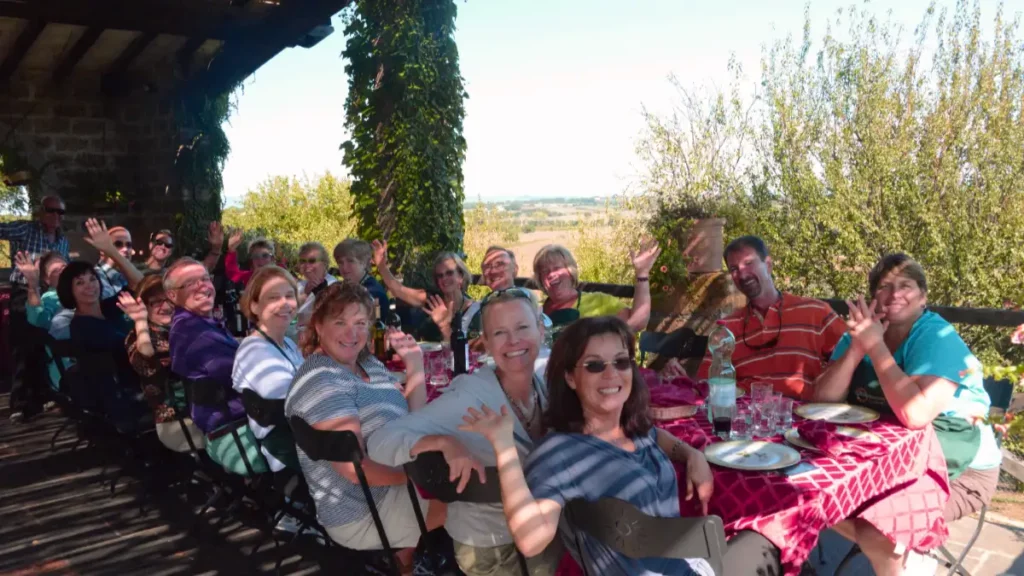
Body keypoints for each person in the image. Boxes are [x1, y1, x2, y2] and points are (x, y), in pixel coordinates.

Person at [459, 316, 781, 576]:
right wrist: (503, 447)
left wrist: (692, 454)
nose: (611, 374)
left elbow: (657, 436)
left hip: (683, 562)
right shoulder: (560, 453)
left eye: (621, 362)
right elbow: (530, 542)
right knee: (767, 541)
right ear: (571, 377)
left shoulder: (629, 428)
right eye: (595, 365)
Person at [814, 253, 1001, 575]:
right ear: (874, 297)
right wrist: (858, 348)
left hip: (961, 472)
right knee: (807, 488)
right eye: (885, 287)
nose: (895, 294)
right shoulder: (864, 331)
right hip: (884, 458)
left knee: (878, 529)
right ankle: (904, 554)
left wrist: (876, 347)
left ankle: (899, 556)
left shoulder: (936, 337)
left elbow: (916, 415)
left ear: (923, 296)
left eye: (906, 285)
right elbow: (821, 400)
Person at [369, 287, 562, 576]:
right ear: (484, 341)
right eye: (499, 333)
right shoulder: (469, 396)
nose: (513, 341)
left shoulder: (544, 385)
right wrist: (443, 442)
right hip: (492, 548)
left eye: (522, 327)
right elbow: (379, 442)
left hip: (542, 529)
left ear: (539, 329)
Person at [284, 282, 445, 575]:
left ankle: (407, 559)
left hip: (391, 485)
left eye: (360, 323)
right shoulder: (321, 381)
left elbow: (412, 421)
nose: (352, 333)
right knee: (474, 499)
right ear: (319, 326)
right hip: (362, 511)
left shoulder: (365, 364)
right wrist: (421, 478)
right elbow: (356, 471)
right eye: (340, 322)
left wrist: (415, 366)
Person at [674, 236, 845, 399]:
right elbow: (708, 385)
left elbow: (852, 355)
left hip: (804, 419)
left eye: (749, 263)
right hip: (748, 419)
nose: (742, 274)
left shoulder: (814, 311)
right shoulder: (726, 328)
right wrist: (680, 380)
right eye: (734, 269)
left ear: (768, 265)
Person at [3, 195, 69, 423]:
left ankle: (47, 395)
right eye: (52, 210)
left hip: (51, 296)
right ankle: (20, 404)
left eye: (61, 212)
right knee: (23, 347)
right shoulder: (26, 229)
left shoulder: (62, 241)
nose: (56, 216)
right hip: (24, 291)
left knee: (47, 345)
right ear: (42, 211)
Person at [119, 275, 204, 452]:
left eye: (169, 299)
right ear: (143, 306)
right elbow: (147, 359)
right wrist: (140, 321)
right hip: (179, 423)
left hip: (207, 412)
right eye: (155, 302)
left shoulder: (184, 327)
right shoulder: (138, 337)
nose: (165, 306)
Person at [232, 266, 303, 471]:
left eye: (289, 296)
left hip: (307, 437)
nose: (284, 304)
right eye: (273, 298)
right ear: (254, 306)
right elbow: (291, 403)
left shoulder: (287, 343)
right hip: (289, 449)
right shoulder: (254, 349)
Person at [166, 257, 245, 435]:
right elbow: (245, 377)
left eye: (205, 279)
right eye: (190, 283)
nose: (203, 286)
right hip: (235, 428)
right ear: (172, 295)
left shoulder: (200, 322)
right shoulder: (192, 331)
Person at [532, 241, 658, 338]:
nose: (551, 274)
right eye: (544, 271)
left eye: (557, 268)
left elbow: (637, 322)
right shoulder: (537, 312)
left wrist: (642, 273)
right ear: (540, 279)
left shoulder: (598, 301)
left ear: (570, 271)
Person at [371, 239, 479, 342]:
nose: (444, 278)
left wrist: (445, 326)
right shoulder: (432, 299)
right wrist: (381, 266)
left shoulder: (474, 310)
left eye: (449, 273)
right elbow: (398, 290)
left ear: (461, 276)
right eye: (439, 276)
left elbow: (474, 349)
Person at [16, 251, 70, 389]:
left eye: (65, 267)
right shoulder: (49, 298)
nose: (63, 272)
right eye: (56, 271)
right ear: (47, 280)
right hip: (69, 368)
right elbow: (38, 319)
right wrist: (33, 285)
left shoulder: (87, 290)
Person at [334, 238, 389, 314]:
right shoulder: (343, 287)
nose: (344, 267)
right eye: (340, 262)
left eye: (350, 261)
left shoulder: (373, 293)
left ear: (364, 263)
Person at [294, 242, 338, 336]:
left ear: (324, 263)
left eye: (312, 261)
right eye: (302, 261)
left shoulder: (333, 285)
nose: (306, 266)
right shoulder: (299, 285)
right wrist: (305, 293)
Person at [95, 224, 136, 298]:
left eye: (128, 245)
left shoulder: (130, 276)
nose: (125, 249)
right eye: (118, 244)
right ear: (102, 249)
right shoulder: (94, 278)